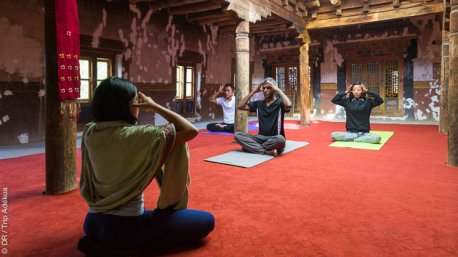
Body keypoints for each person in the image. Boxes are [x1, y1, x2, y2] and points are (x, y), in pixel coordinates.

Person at [78, 77, 214, 254]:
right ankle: (123, 247)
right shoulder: (139, 135)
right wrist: (154, 106)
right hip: (127, 228)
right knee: (206, 220)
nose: (138, 105)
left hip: (92, 223)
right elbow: (190, 130)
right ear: (126, 106)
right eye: (135, 101)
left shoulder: (90, 132)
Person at [234, 77, 292, 157]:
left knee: (281, 140)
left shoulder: (280, 104)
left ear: (274, 89)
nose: (265, 90)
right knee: (238, 135)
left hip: (274, 138)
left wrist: (278, 90)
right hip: (260, 138)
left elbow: (289, 105)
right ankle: (266, 151)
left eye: (268, 88)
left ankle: (251, 148)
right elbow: (240, 106)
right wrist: (254, 91)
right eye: (263, 88)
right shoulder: (258, 104)